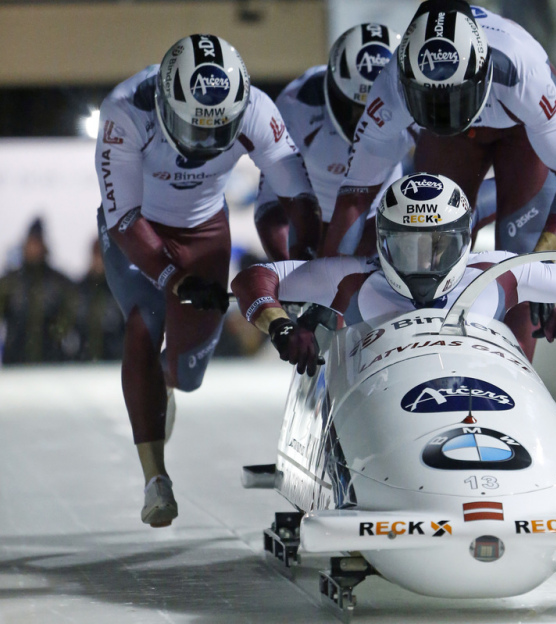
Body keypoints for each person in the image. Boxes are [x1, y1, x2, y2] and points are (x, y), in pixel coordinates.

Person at [94, 34, 322, 528]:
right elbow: (126, 222)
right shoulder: (125, 112)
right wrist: (173, 278)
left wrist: (310, 271)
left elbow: (298, 199)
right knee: (143, 323)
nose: (203, 148)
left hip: (205, 231)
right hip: (138, 230)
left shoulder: (257, 111)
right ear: (164, 104)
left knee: (187, 374)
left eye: (217, 133)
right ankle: (156, 479)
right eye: (192, 130)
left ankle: (168, 383)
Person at [321, 1, 556, 360]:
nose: (444, 112)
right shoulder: (391, 86)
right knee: (421, 249)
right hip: (447, 141)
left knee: (522, 271)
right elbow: (355, 197)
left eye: (454, 98)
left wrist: (540, 261)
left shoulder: (522, 72)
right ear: (408, 80)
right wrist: (326, 294)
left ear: (482, 75)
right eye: (430, 100)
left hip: (521, 134)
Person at [227, 173, 556, 377]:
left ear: (463, 242)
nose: (424, 263)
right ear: (383, 244)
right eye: (408, 247)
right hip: (378, 396)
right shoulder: (351, 277)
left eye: (438, 247)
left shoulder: (494, 272)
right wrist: (280, 326)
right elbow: (255, 278)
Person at [254, 23, 405, 260]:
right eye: (358, 111)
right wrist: (291, 268)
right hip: (308, 219)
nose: (368, 127)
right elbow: (271, 203)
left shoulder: (413, 104)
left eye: (380, 113)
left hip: (373, 217)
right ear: (332, 92)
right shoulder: (297, 106)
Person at [0, 218, 78, 365]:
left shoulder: (58, 283)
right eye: (31, 243)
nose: (34, 249)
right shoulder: (10, 283)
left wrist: (56, 331)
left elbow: (72, 312)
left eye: (37, 243)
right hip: (15, 361)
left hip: (49, 361)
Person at [74, 239, 125, 362]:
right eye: (96, 255)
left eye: (102, 256)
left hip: (113, 362)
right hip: (82, 361)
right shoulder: (80, 290)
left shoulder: (120, 290)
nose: (98, 261)